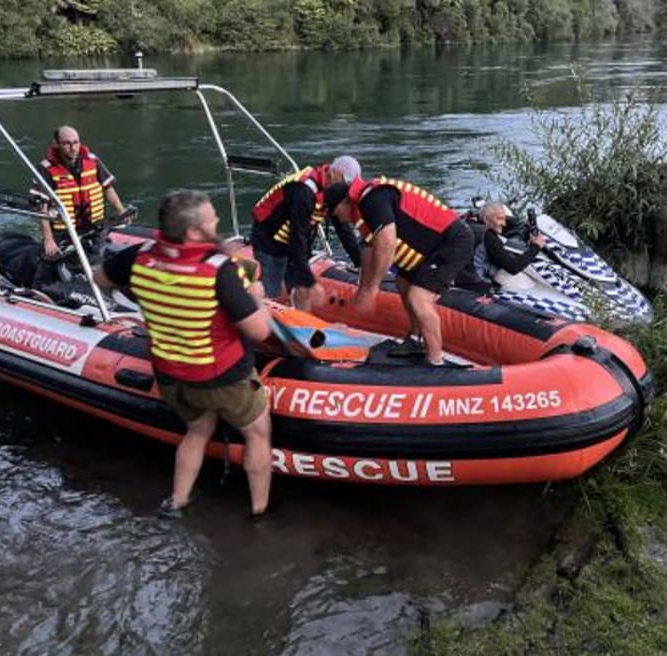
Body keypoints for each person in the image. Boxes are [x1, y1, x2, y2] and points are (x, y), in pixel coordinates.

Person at [94, 190, 276, 520]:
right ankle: (259, 511)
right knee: (258, 432)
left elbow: (101, 278)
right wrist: (257, 296)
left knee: (198, 429)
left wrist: (145, 295)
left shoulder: (139, 255)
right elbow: (259, 331)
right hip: (221, 376)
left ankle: (178, 501)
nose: (217, 221)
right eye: (211, 220)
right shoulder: (219, 271)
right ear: (193, 232)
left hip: (170, 375)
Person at [326, 176, 474, 366]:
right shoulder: (364, 208)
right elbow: (369, 248)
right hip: (431, 247)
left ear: (345, 202)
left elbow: (386, 243)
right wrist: (363, 287)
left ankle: (436, 360)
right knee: (402, 283)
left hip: (451, 241)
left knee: (418, 297)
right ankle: (415, 339)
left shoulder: (372, 199)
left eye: (335, 211)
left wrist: (372, 288)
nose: (337, 218)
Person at [250, 156, 363, 312]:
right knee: (271, 289)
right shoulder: (303, 191)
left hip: (297, 234)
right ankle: (257, 319)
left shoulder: (334, 191)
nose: (347, 189)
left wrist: (360, 263)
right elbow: (298, 237)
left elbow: (342, 228)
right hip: (269, 236)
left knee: (302, 287)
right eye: (346, 182)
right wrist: (311, 282)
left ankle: (303, 324)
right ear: (334, 173)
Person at [35, 125, 127, 260]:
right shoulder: (46, 169)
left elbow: (108, 188)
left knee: (103, 256)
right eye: (67, 143)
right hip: (63, 232)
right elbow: (41, 206)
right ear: (56, 144)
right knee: (49, 262)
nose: (73, 148)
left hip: (94, 227)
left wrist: (121, 211)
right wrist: (48, 239)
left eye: (75, 142)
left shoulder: (92, 160)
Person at [455, 201, 547, 294]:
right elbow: (513, 267)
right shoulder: (487, 235)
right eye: (500, 219)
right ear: (487, 219)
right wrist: (536, 247)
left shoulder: (467, 226)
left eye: (504, 219)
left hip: (458, 280)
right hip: (476, 286)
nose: (504, 224)